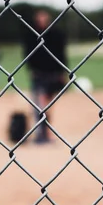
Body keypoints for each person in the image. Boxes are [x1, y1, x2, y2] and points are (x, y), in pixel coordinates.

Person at [21, 10, 68, 144]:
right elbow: (27, 54)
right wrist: (31, 69)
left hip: (53, 74)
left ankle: (45, 132)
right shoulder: (31, 35)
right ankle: (40, 135)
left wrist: (63, 72)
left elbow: (62, 54)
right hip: (39, 74)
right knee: (40, 105)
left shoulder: (56, 35)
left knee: (48, 105)